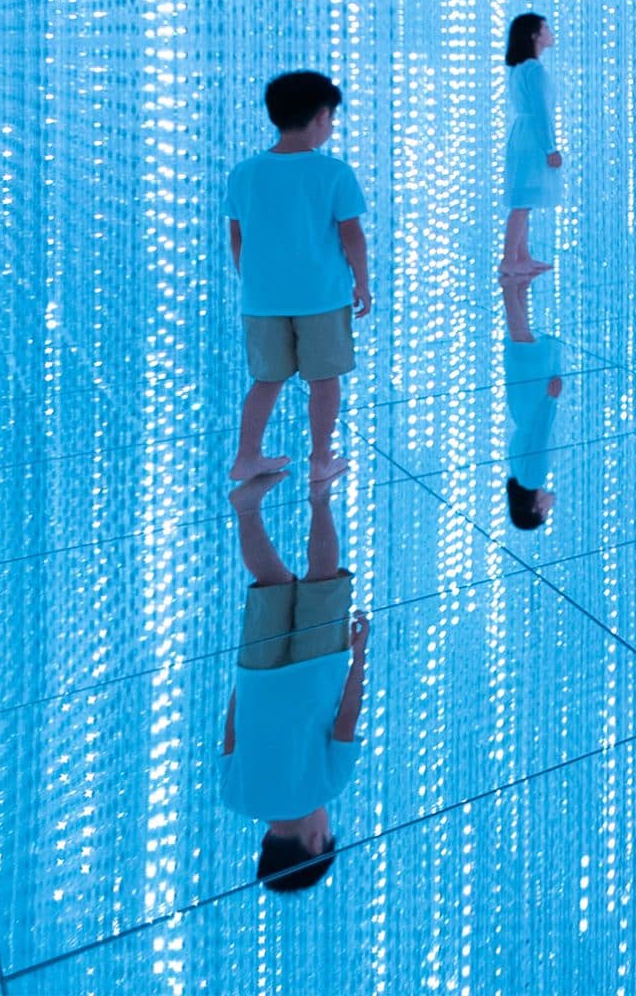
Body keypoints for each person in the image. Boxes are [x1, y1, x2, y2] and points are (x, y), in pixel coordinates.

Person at [220, 467, 370, 892]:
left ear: (316, 841)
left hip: (317, 666)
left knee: (322, 576)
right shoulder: (235, 798)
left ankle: (320, 494)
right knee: (273, 583)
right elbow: (232, 730)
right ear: (268, 843)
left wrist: (359, 657)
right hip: (256, 673)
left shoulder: (328, 786)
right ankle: (247, 509)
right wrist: (244, 679)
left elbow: (347, 719)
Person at [226, 70, 371, 485]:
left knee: (265, 381)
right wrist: (362, 283)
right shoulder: (334, 173)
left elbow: (238, 238)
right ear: (322, 117)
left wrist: (252, 281)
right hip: (322, 296)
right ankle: (321, 459)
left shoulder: (244, 172)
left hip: (261, 300)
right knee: (324, 382)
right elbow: (352, 237)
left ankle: (246, 457)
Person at [500, 13, 562, 278]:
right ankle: (509, 259)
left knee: (523, 199)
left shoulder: (520, 68)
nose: (550, 32)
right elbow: (541, 112)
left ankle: (522, 256)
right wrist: (551, 148)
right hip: (533, 138)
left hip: (522, 134)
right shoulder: (534, 70)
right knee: (522, 202)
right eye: (545, 28)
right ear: (534, 36)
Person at [501, 271, 562, 530]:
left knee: (523, 339)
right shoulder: (518, 473)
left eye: (545, 514)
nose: (550, 510)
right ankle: (519, 281)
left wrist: (550, 400)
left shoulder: (533, 476)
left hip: (535, 403)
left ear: (535, 508)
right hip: (521, 406)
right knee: (522, 340)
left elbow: (539, 435)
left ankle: (509, 284)